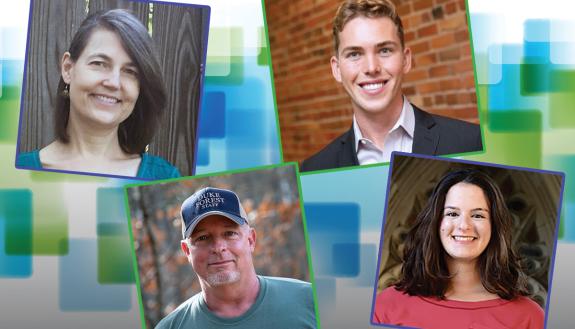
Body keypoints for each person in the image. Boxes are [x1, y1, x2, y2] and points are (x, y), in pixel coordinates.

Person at [300, 0, 482, 172]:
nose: (371, 68)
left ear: (406, 60)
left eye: (384, 50)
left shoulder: (471, 142)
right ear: (337, 69)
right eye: (355, 54)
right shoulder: (313, 170)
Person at [16, 9, 180, 179]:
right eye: (99, 63)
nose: (113, 83)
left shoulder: (164, 178)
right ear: (68, 69)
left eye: (130, 71)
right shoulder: (17, 172)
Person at [372, 169, 544, 329]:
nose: (464, 226)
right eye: (452, 214)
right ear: (436, 222)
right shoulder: (387, 306)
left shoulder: (529, 317)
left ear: (494, 226)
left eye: (478, 215)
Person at [155, 187, 317, 329]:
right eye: (203, 238)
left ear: (251, 240)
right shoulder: (171, 326)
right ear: (187, 251)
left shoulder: (311, 301)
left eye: (230, 233)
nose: (218, 248)